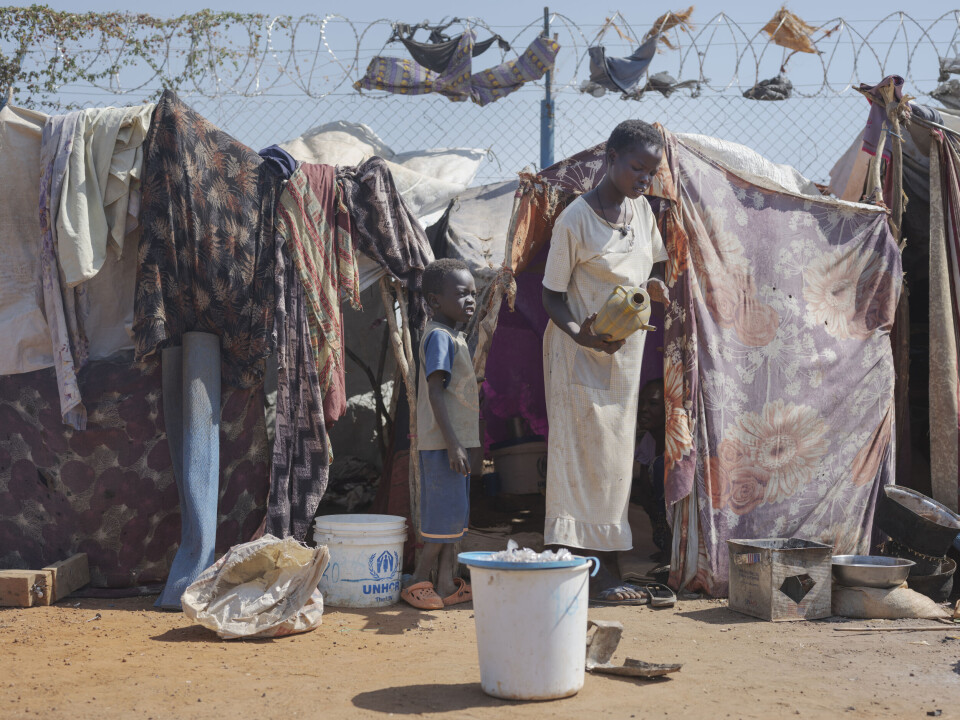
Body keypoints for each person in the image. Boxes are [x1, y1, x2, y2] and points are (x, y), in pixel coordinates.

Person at [541, 119, 669, 604]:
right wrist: (586, 338)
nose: (644, 179)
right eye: (637, 167)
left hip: (623, 359)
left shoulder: (640, 211)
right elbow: (551, 297)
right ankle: (592, 571)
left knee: (614, 462)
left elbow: (653, 264)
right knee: (580, 459)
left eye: (652, 172)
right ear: (610, 157)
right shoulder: (575, 219)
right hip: (578, 356)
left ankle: (595, 567)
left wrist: (655, 286)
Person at [400, 258, 478, 610]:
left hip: (454, 445)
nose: (471, 301)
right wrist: (454, 444)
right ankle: (419, 580)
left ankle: (446, 582)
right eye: (462, 294)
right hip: (444, 446)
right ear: (434, 301)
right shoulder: (439, 338)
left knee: (455, 519)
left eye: (473, 294)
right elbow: (434, 392)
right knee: (442, 519)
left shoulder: (454, 336)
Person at [631, 378, 670, 559]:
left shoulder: (679, 442)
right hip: (662, 520)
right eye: (641, 403)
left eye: (653, 404)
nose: (643, 409)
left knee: (662, 466)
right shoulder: (649, 440)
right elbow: (646, 491)